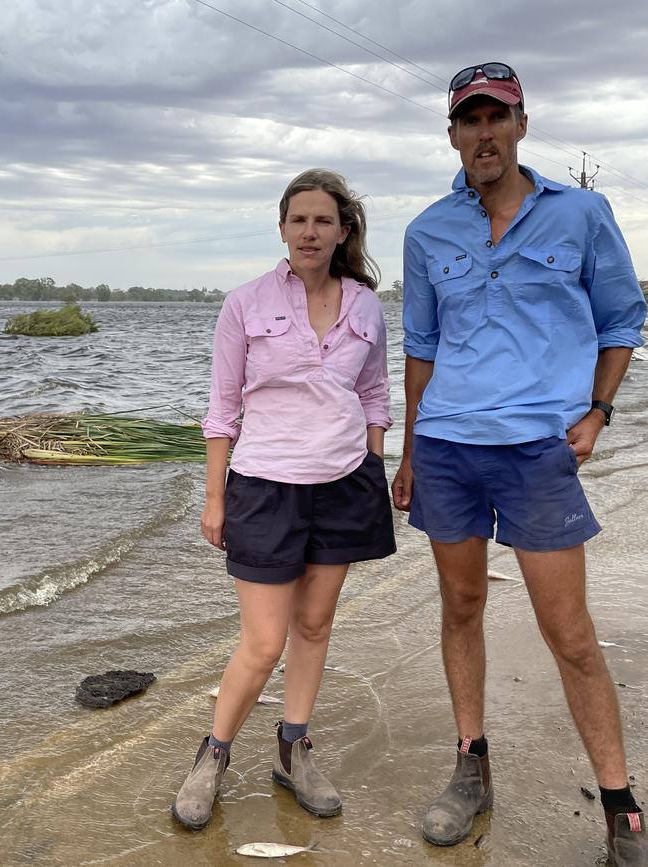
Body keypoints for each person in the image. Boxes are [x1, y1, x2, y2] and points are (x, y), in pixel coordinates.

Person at [392, 62, 647, 864]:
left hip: (538, 449)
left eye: (496, 117)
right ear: (453, 135)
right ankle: (472, 765)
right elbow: (421, 349)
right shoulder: (429, 230)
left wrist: (599, 412)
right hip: (447, 446)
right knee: (460, 608)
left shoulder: (582, 215)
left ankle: (621, 805)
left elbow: (622, 320)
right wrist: (408, 448)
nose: (483, 134)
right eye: (469, 121)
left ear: (522, 124)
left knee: (568, 632)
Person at [172, 168, 396, 830]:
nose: (309, 230)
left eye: (322, 219)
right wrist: (215, 497)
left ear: (343, 230)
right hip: (265, 485)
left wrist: (375, 464)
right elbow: (221, 410)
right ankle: (212, 755)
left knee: (316, 624)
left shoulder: (365, 306)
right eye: (298, 219)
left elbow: (376, 393)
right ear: (281, 228)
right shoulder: (244, 303)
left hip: (345, 483)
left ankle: (294, 748)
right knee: (264, 640)